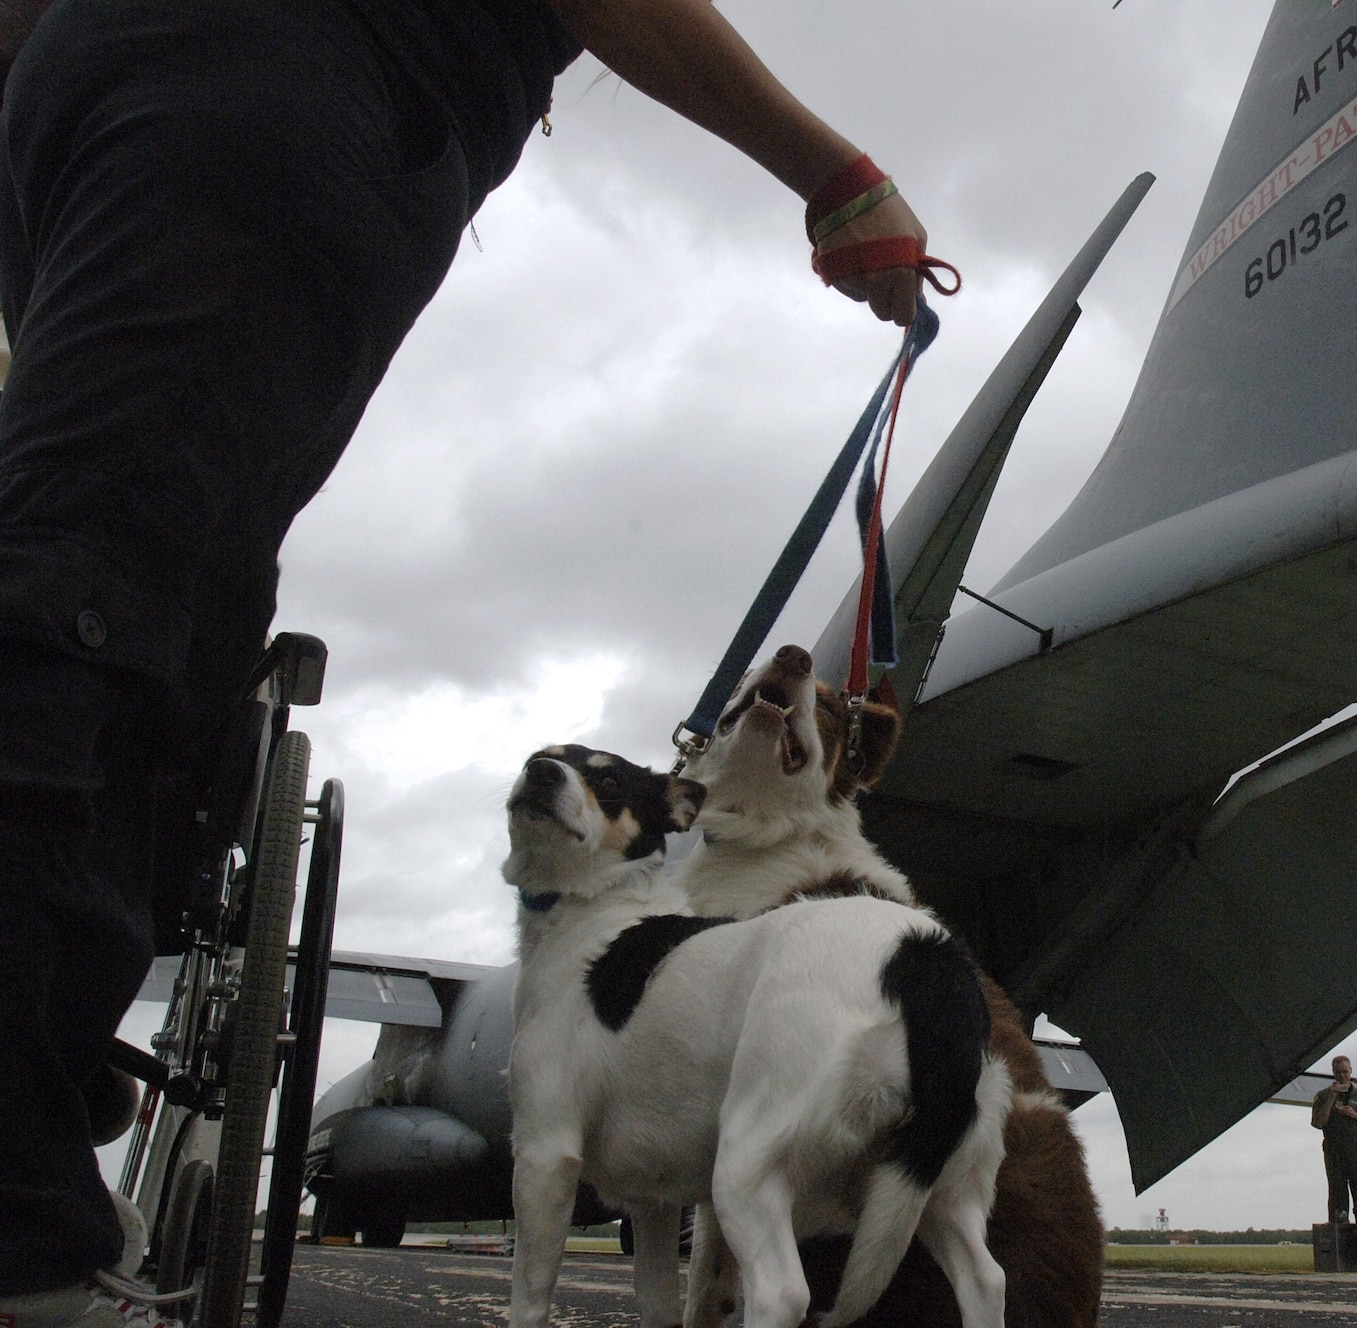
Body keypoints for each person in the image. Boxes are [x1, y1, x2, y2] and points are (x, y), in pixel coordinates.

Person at [0, 1, 936, 1322]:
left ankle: (42, 1061)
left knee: (140, 600)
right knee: (96, 592)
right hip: (265, 97)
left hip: (89, 117)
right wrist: (835, 175)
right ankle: (23, 1222)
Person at [1309, 1055, 1357, 1225]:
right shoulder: (1322, 1096)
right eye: (1338, 1072)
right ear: (1333, 1073)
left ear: (1350, 1072)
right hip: (1335, 1152)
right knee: (1337, 1195)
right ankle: (1339, 1232)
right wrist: (1331, 1098)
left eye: (1345, 1072)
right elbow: (1318, 1123)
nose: (1342, 1076)